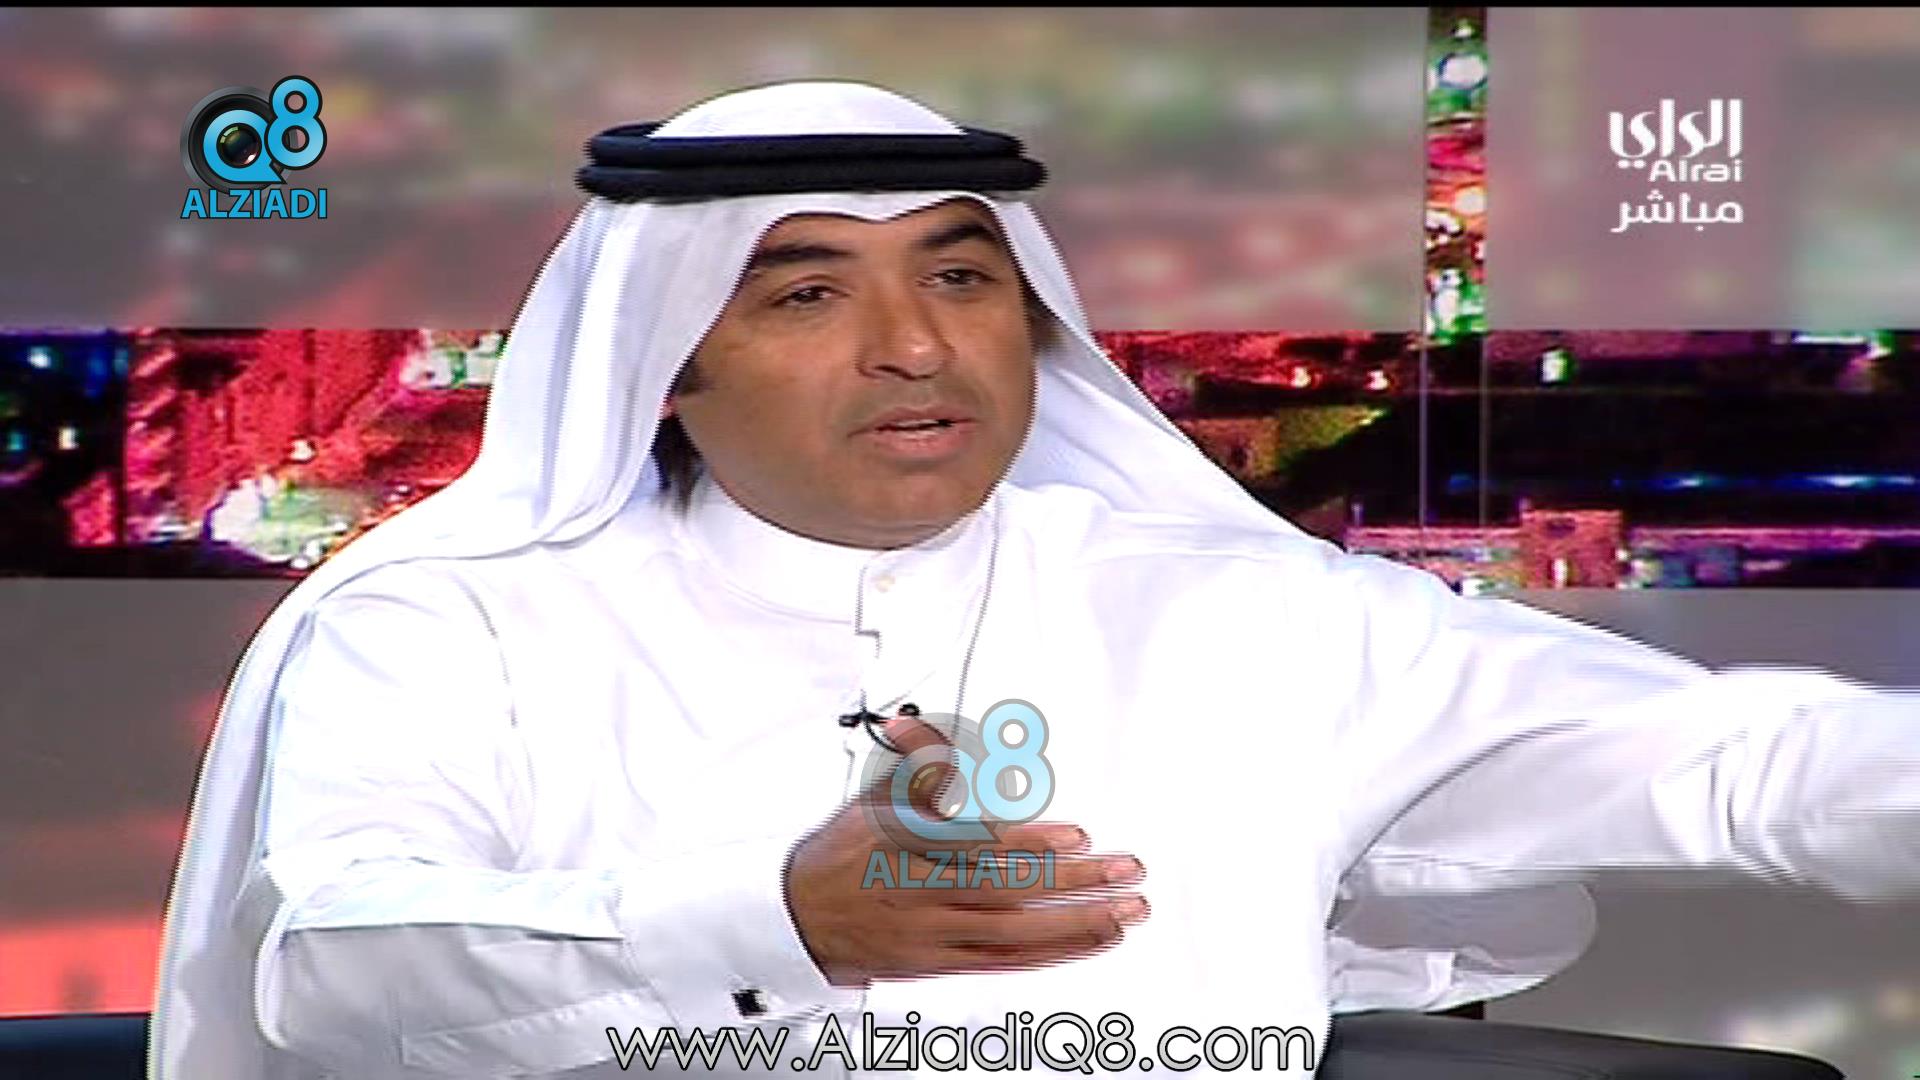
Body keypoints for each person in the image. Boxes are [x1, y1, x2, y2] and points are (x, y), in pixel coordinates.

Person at [151, 81, 1919, 1079]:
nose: (916, 347)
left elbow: (1740, 770)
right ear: (664, 363)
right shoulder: (454, 622)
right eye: (808, 293)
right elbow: (334, 965)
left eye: (961, 278)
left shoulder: (1255, 618)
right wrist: (776, 922)